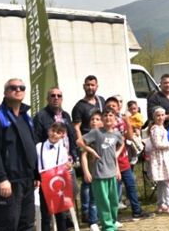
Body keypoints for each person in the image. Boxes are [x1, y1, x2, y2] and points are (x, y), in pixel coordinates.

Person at [0, 79, 39, 231]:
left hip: (27, 179)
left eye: (21, 87)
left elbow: (31, 146)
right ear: (5, 92)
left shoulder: (26, 117)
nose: (18, 90)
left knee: (27, 224)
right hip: (9, 181)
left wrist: (35, 174)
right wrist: (2, 178)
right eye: (13, 87)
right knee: (7, 224)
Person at [104, 97, 154, 220]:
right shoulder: (104, 122)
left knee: (131, 186)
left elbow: (130, 137)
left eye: (114, 106)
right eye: (109, 105)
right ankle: (112, 217)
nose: (111, 108)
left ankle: (137, 211)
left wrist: (127, 123)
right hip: (111, 163)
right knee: (114, 191)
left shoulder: (121, 121)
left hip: (124, 160)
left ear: (118, 108)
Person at [77, 108, 124, 231]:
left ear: (114, 118)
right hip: (99, 173)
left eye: (111, 115)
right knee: (103, 202)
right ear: (102, 119)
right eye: (106, 115)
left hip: (112, 172)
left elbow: (122, 142)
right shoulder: (97, 132)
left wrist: (117, 154)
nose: (108, 117)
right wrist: (91, 150)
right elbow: (79, 141)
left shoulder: (116, 134)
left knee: (114, 201)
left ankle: (112, 223)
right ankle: (107, 226)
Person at [71, 76, 105, 228]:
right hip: (87, 142)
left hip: (101, 142)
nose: (90, 87)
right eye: (88, 85)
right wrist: (82, 144)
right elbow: (76, 127)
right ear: (84, 86)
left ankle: (100, 211)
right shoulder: (79, 106)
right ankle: (86, 211)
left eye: (93, 85)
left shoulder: (101, 101)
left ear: (97, 86)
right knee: (87, 180)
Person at [36, 122, 72, 231]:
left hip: (57, 185)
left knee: (60, 214)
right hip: (43, 184)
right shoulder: (39, 147)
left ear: (62, 135)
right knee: (45, 215)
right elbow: (35, 164)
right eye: (53, 131)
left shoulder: (62, 150)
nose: (54, 134)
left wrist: (68, 167)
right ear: (48, 131)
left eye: (58, 132)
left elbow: (65, 166)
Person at [146, 108, 169, 214]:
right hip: (160, 159)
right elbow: (158, 144)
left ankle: (161, 204)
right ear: (154, 117)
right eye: (158, 115)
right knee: (167, 181)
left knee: (161, 182)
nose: (161, 118)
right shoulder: (155, 129)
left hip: (165, 156)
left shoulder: (162, 128)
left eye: (162, 115)